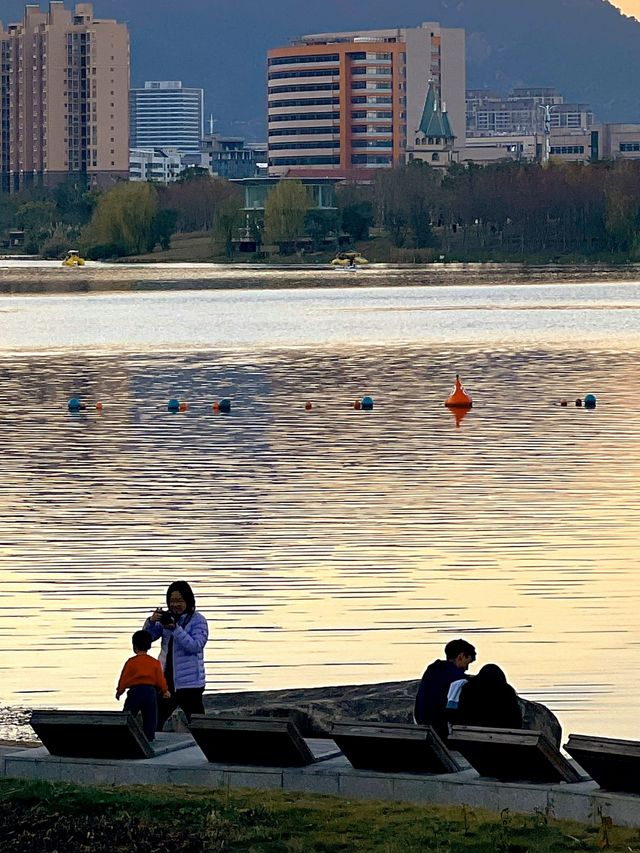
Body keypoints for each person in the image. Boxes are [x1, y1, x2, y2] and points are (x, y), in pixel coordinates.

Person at [143, 580, 208, 730]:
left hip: (190, 684)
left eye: (179, 601)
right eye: (171, 601)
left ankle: (206, 752)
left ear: (188, 600)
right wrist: (151, 622)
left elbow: (195, 646)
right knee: (155, 722)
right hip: (165, 682)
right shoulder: (167, 619)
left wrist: (175, 629)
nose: (175, 605)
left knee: (201, 726)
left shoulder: (198, 620)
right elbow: (147, 639)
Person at [413, 638, 477, 741]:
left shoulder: (432, 669)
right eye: (467, 663)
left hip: (422, 722)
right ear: (460, 657)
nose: (467, 668)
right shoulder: (457, 679)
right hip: (440, 730)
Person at [115, 629, 170, 741]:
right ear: (149, 646)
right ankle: (150, 737)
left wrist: (119, 691)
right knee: (150, 717)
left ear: (134, 646)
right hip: (150, 692)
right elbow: (160, 679)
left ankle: (122, 736)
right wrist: (165, 691)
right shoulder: (154, 662)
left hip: (135, 691)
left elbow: (124, 679)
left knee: (128, 715)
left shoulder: (131, 662)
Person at [456, 663, 523, 729]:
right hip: (502, 732)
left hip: (471, 731)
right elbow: (516, 720)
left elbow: (461, 714)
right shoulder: (507, 691)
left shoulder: (468, 688)